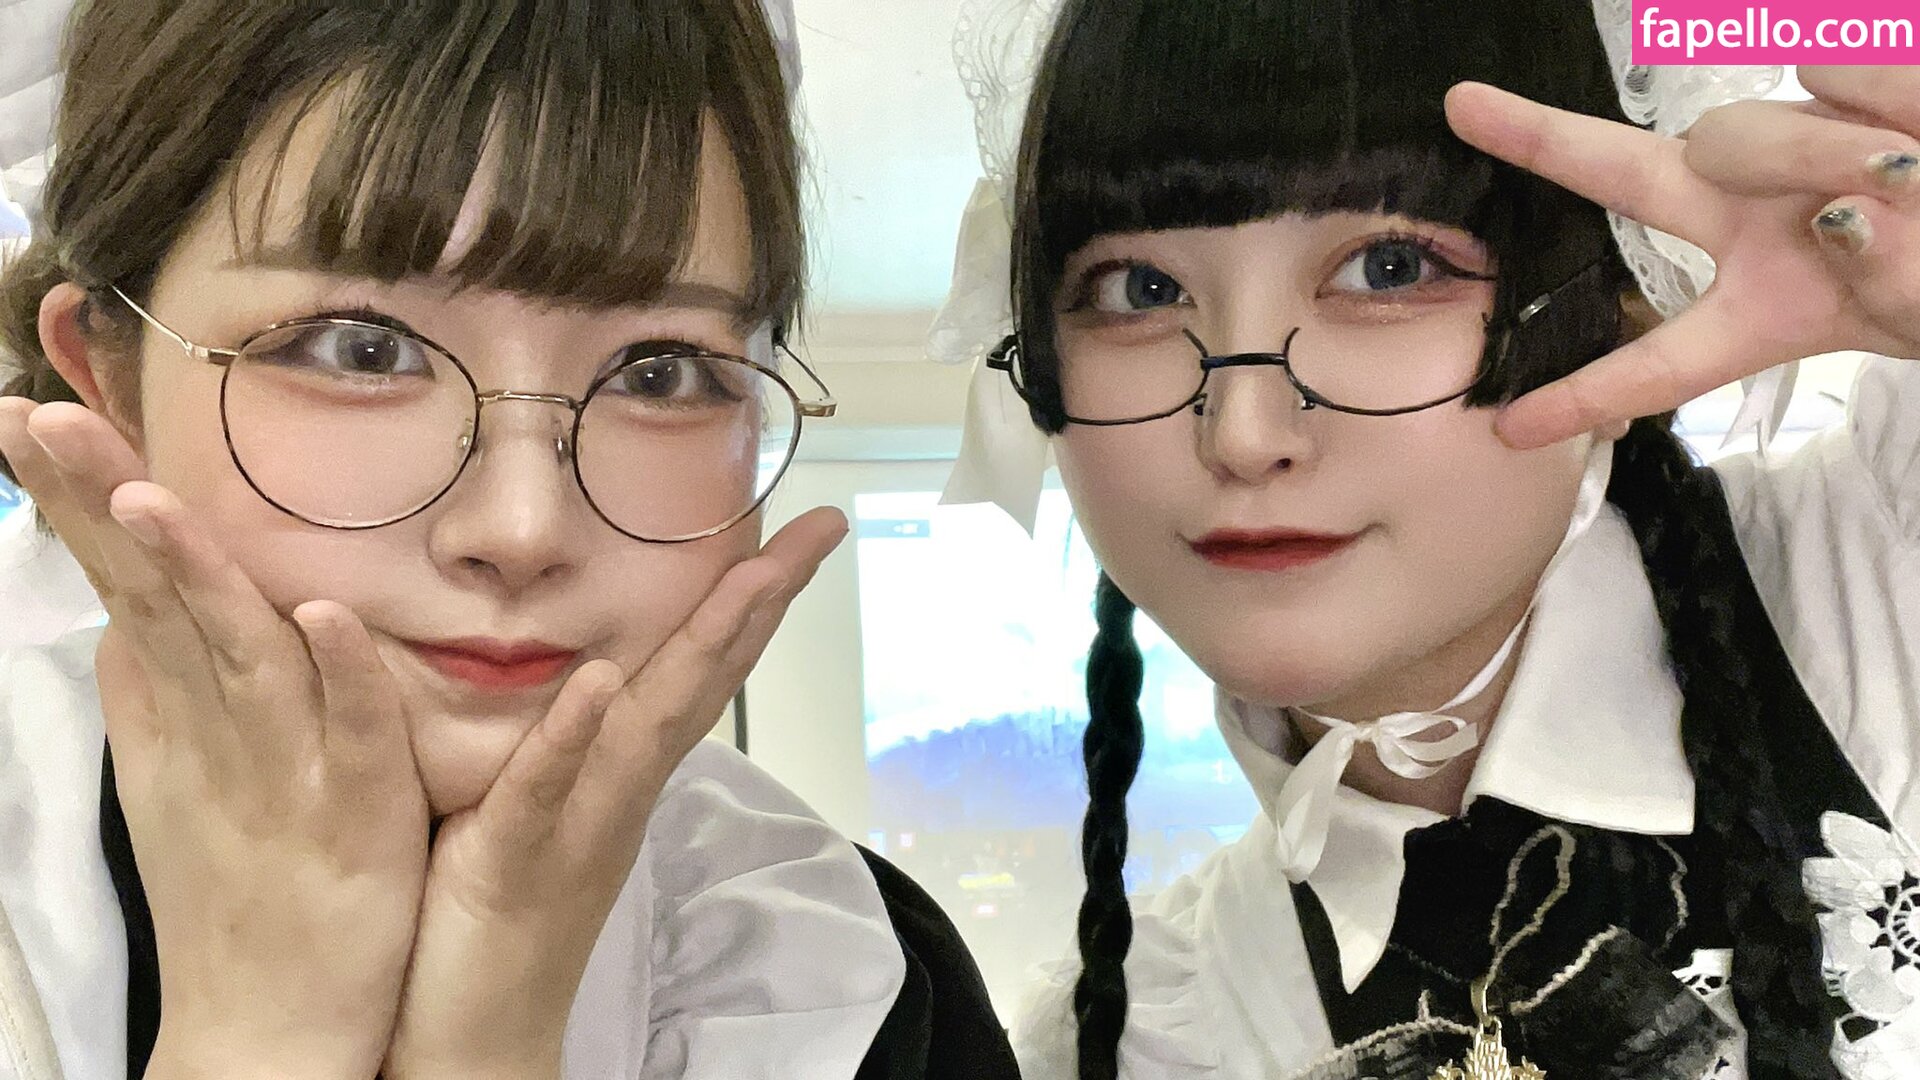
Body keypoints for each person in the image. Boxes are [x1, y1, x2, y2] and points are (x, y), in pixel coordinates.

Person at [0, 2, 1016, 1077]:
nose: (524, 529)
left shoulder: (840, 974)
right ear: (110, 380)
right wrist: (262, 1034)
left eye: (659, 372)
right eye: (362, 349)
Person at [931, 0, 1920, 1076]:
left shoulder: (1881, 558)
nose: (1244, 435)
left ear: (1623, 308)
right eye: (1141, 290)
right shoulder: (1140, 1035)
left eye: (1390, 269)